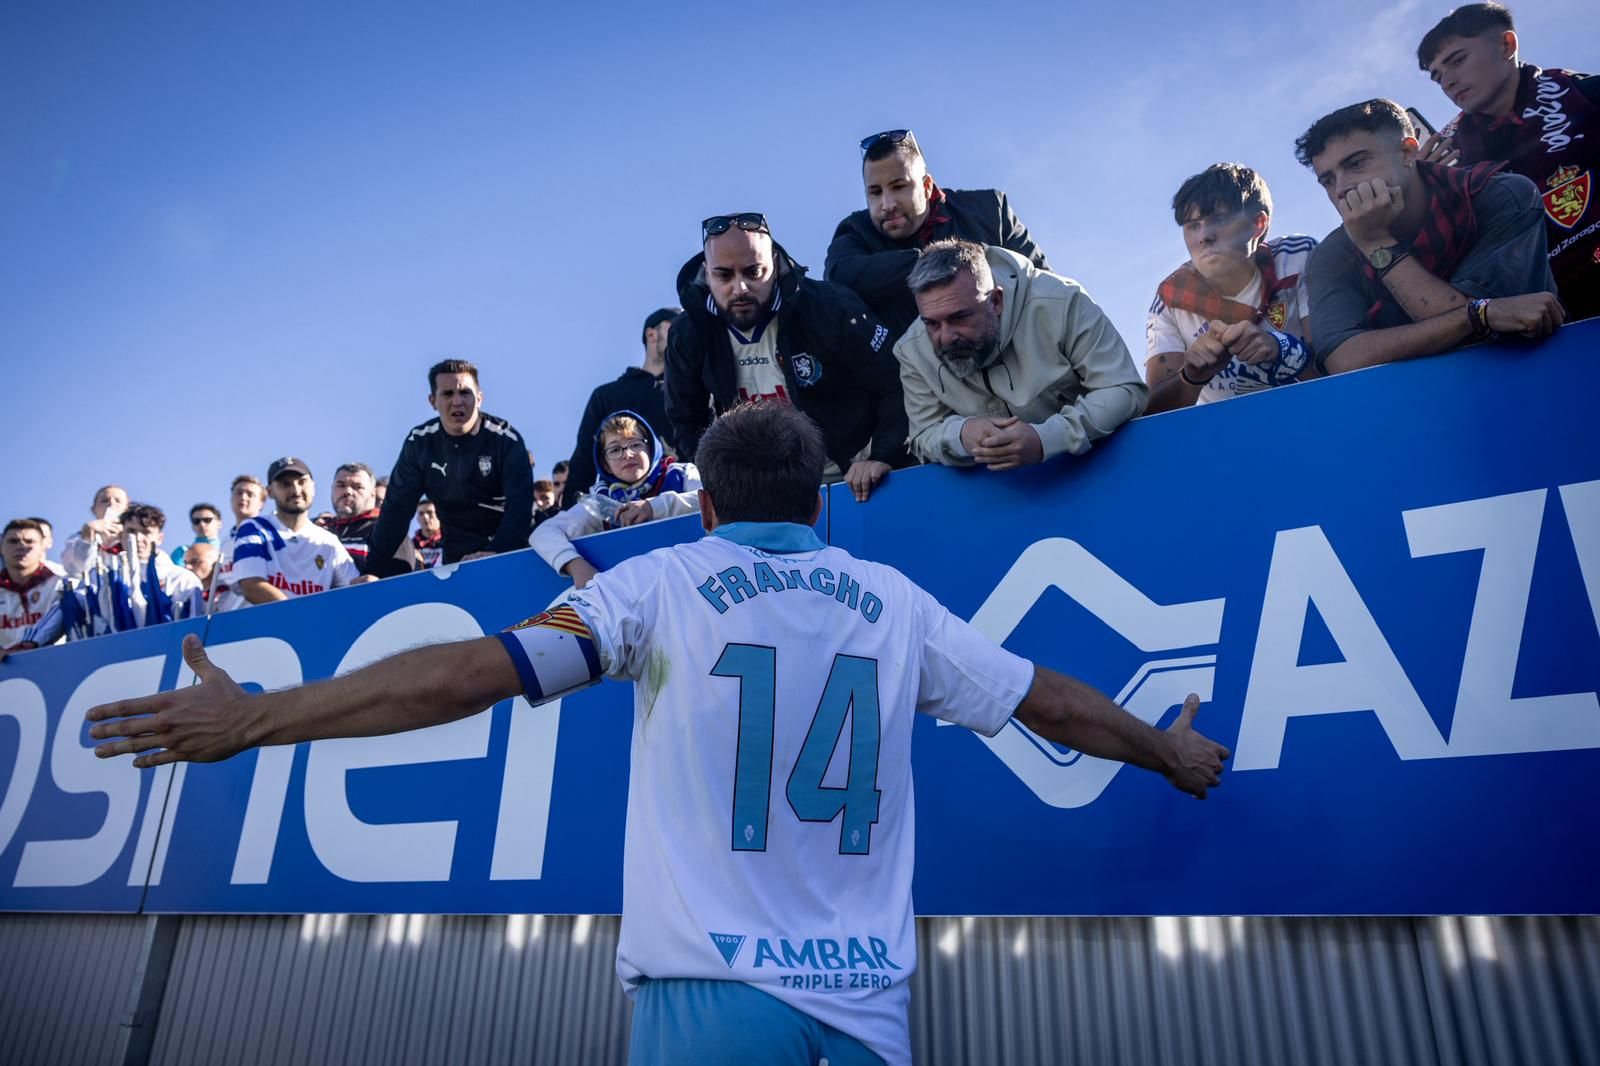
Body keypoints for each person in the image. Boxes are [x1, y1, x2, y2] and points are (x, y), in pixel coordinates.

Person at [86, 401, 1230, 1066]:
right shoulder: (898, 604)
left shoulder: (662, 582)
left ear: (712, 505)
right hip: (872, 1016)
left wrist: (260, 717)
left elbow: (461, 678)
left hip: (708, 1006)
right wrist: (1170, 750)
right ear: (819, 499)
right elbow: (1052, 701)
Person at [1296, 98, 1564, 376]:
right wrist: (1477, 315)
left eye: (1357, 163)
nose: (1341, 188)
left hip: (1535, 377)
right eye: (1328, 180)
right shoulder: (1330, 256)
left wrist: (1376, 243)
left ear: (1407, 152)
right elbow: (1344, 359)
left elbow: (1481, 340)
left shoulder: (1499, 195)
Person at [665, 213, 910, 503]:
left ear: (775, 264)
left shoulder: (830, 308)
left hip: (853, 485)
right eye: (724, 275)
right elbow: (686, 421)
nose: (740, 288)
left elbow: (896, 382)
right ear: (706, 274)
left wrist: (883, 455)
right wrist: (723, 480)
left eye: (753, 271)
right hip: (760, 496)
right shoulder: (689, 332)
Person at [1419, 2, 1600, 321]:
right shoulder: (1449, 155)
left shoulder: (1586, 95)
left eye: (1457, 60)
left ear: (1507, 45)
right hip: (1533, 326)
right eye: (1438, 77)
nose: (1447, 81)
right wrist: (1420, 196)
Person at [896, 239, 1146, 469]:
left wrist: (1046, 439)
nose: (946, 337)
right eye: (931, 324)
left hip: (1103, 469)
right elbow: (922, 434)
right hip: (996, 500)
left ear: (995, 301)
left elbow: (1123, 389)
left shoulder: (1062, 301)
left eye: (959, 317)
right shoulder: (911, 351)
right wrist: (961, 434)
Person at [825, 130, 1051, 340]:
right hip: (911, 379)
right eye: (875, 192)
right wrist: (930, 261)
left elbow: (1044, 286)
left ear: (926, 186)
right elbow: (838, 281)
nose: (887, 204)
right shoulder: (856, 231)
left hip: (1012, 361)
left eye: (898, 186)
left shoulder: (990, 210)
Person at [1144, 164, 1319, 413]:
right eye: (1193, 225)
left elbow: (1343, 370)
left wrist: (1284, 351)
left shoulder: (1298, 256)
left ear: (1259, 223)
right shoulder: (1170, 297)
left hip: (1311, 417)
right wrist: (1192, 377)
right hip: (1224, 437)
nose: (1204, 236)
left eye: (1219, 219)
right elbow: (1152, 414)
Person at [366, 359, 535, 576]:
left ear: (479, 398)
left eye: (465, 393)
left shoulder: (506, 440)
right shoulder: (419, 443)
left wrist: (497, 551)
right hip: (457, 554)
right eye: (447, 394)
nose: (457, 402)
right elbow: (395, 510)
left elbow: (520, 507)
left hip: (509, 549)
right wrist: (373, 572)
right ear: (433, 401)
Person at [532, 411, 701, 588]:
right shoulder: (601, 503)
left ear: (650, 448)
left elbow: (712, 499)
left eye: (635, 444)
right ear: (605, 464)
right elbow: (544, 533)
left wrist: (653, 507)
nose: (627, 454)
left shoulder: (680, 475)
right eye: (614, 449)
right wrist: (575, 565)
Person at [14, 504, 204, 652]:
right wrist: (33, 641)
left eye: (145, 532)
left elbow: (198, 629)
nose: (137, 539)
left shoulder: (183, 579)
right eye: (131, 531)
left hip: (168, 662)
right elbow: (68, 606)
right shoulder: (101, 576)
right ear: (121, 534)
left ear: (160, 537)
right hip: (111, 662)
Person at [562, 308, 683, 508]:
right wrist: (569, 516)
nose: (685, 334)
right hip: (619, 516)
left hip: (680, 507)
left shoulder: (695, 393)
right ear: (652, 334)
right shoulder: (607, 396)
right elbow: (583, 463)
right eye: (676, 327)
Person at [227, 458, 370, 606]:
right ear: (270, 492)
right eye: (285, 484)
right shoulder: (254, 528)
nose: (296, 490)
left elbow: (354, 590)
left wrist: (368, 584)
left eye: (301, 482)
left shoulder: (328, 541)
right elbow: (251, 585)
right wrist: (299, 617)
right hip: (266, 628)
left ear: (313, 487)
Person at [315, 462, 417, 575]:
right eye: (341, 485)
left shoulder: (389, 530)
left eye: (357, 487)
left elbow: (402, 581)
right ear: (332, 489)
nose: (348, 491)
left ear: (373, 494)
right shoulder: (318, 530)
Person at [1, 519, 65, 654]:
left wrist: (29, 645)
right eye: (13, 541)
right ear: (1, 547)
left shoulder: (61, 586)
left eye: (29, 541)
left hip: (53, 665)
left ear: (43, 547)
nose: (21, 546)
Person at [212, 474, 267, 613]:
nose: (243, 497)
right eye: (239, 493)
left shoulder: (271, 537)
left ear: (261, 503)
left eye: (250, 494)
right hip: (229, 620)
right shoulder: (223, 544)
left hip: (261, 613)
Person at [60, 484, 128, 577]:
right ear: (93, 509)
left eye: (118, 501)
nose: (111, 503)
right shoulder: (77, 538)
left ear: (127, 508)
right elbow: (75, 570)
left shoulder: (137, 535)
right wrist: (87, 537)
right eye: (104, 500)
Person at [412, 499, 444, 570]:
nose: (425, 517)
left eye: (430, 512)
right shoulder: (411, 545)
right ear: (417, 518)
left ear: (439, 514)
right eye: (421, 513)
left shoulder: (450, 540)